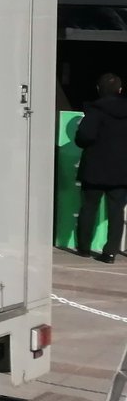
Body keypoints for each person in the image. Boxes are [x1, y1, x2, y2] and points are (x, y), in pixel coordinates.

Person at [75, 73, 127, 261]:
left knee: (89, 208)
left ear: (99, 89)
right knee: (116, 212)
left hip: (95, 168)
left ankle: (83, 248)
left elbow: (84, 137)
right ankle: (110, 252)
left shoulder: (95, 111)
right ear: (120, 90)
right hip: (122, 170)